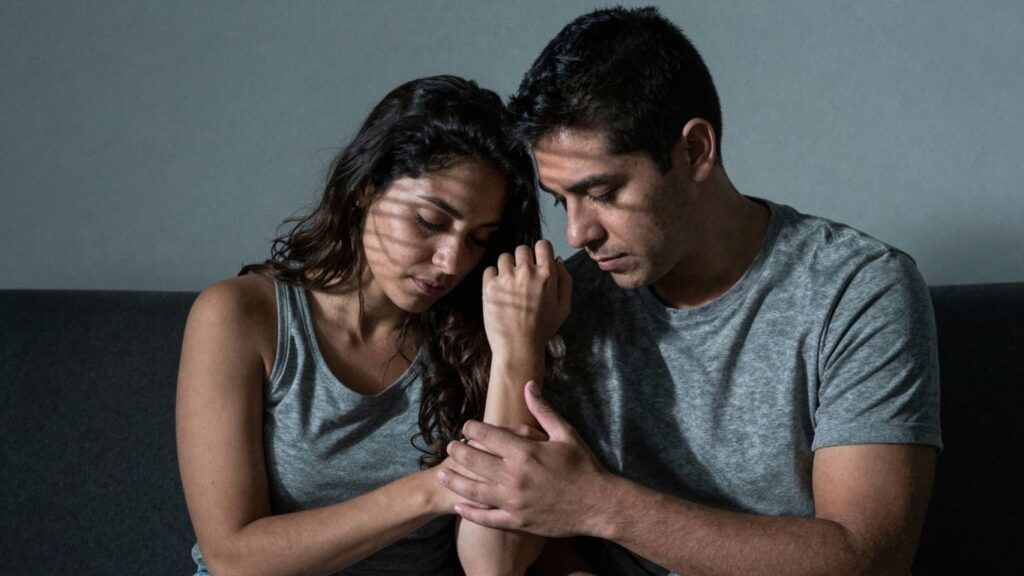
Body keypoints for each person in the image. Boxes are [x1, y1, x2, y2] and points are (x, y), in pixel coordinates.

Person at [437, 7, 942, 575]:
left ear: (696, 151)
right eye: (563, 200)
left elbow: (868, 559)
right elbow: (501, 557)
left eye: (602, 192)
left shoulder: (857, 288)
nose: (577, 233)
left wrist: (598, 504)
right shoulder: (565, 301)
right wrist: (518, 352)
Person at [175, 75, 570, 575]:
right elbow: (232, 559)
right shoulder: (240, 316)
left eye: (478, 239)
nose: (451, 261)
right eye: (429, 221)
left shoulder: (479, 335)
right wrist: (436, 488)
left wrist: (517, 351)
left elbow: (494, 568)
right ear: (366, 189)